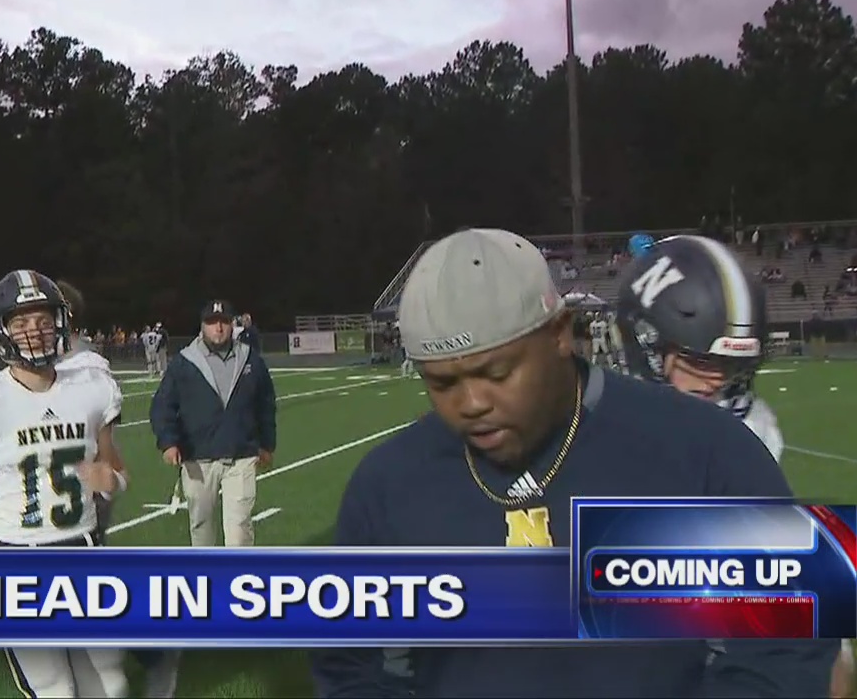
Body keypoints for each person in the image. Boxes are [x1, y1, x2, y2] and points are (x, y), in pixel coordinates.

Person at [310, 228, 839, 698]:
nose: (471, 403)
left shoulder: (703, 450)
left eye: (496, 372)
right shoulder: (387, 485)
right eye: (442, 382)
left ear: (559, 333)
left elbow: (787, 642)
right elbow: (350, 665)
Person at [614, 234, 853, 697]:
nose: (717, 381)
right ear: (645, 344)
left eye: (729, 364)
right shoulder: (591, 428)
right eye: (700, 361)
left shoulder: (750, 434)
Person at [0, 269, 129, 698]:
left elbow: (116, 472)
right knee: (55, 691)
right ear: (1, 330)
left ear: (60, 324)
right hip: (19, 558)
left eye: (44, 321)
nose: (35, 332)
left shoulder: (91, 387)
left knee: (111, 684)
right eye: (21, 323)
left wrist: (112, 481)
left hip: (84, 551)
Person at [56, 279, 183, 699]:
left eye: (36, 317)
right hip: (48, 499)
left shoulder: (86, 366)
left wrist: (105, 482)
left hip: (81, 492)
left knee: (79, 592)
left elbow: (104, 446)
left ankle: (151, 652)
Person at [148, 300, 276, 548]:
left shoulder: (251, 359)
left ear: (232, 325)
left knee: (239, 532)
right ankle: (206, 579)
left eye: (223, 322)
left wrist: (267, 444)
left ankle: (237, 582)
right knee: (201, 529)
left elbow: (265, 404)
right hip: (198, 458)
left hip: (241, 455)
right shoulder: (184, 362)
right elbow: (162, 405)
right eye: (212, 323)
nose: (218, 328)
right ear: (202, 326)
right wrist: (168, 442)